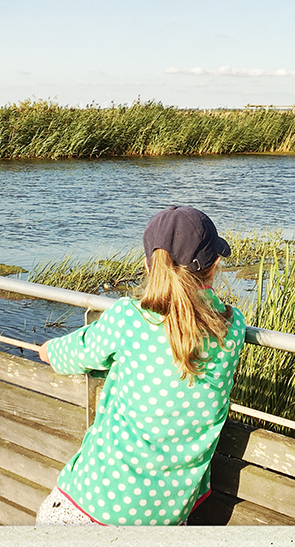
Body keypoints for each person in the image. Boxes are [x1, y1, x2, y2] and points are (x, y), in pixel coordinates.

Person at [34, 206, 247, 526]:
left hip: (98, 501)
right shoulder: (233, 327)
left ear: (150, 263)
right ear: (214, 264)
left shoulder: (131, 318)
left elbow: (77, 353)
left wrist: (47, 350)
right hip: (167, 516)